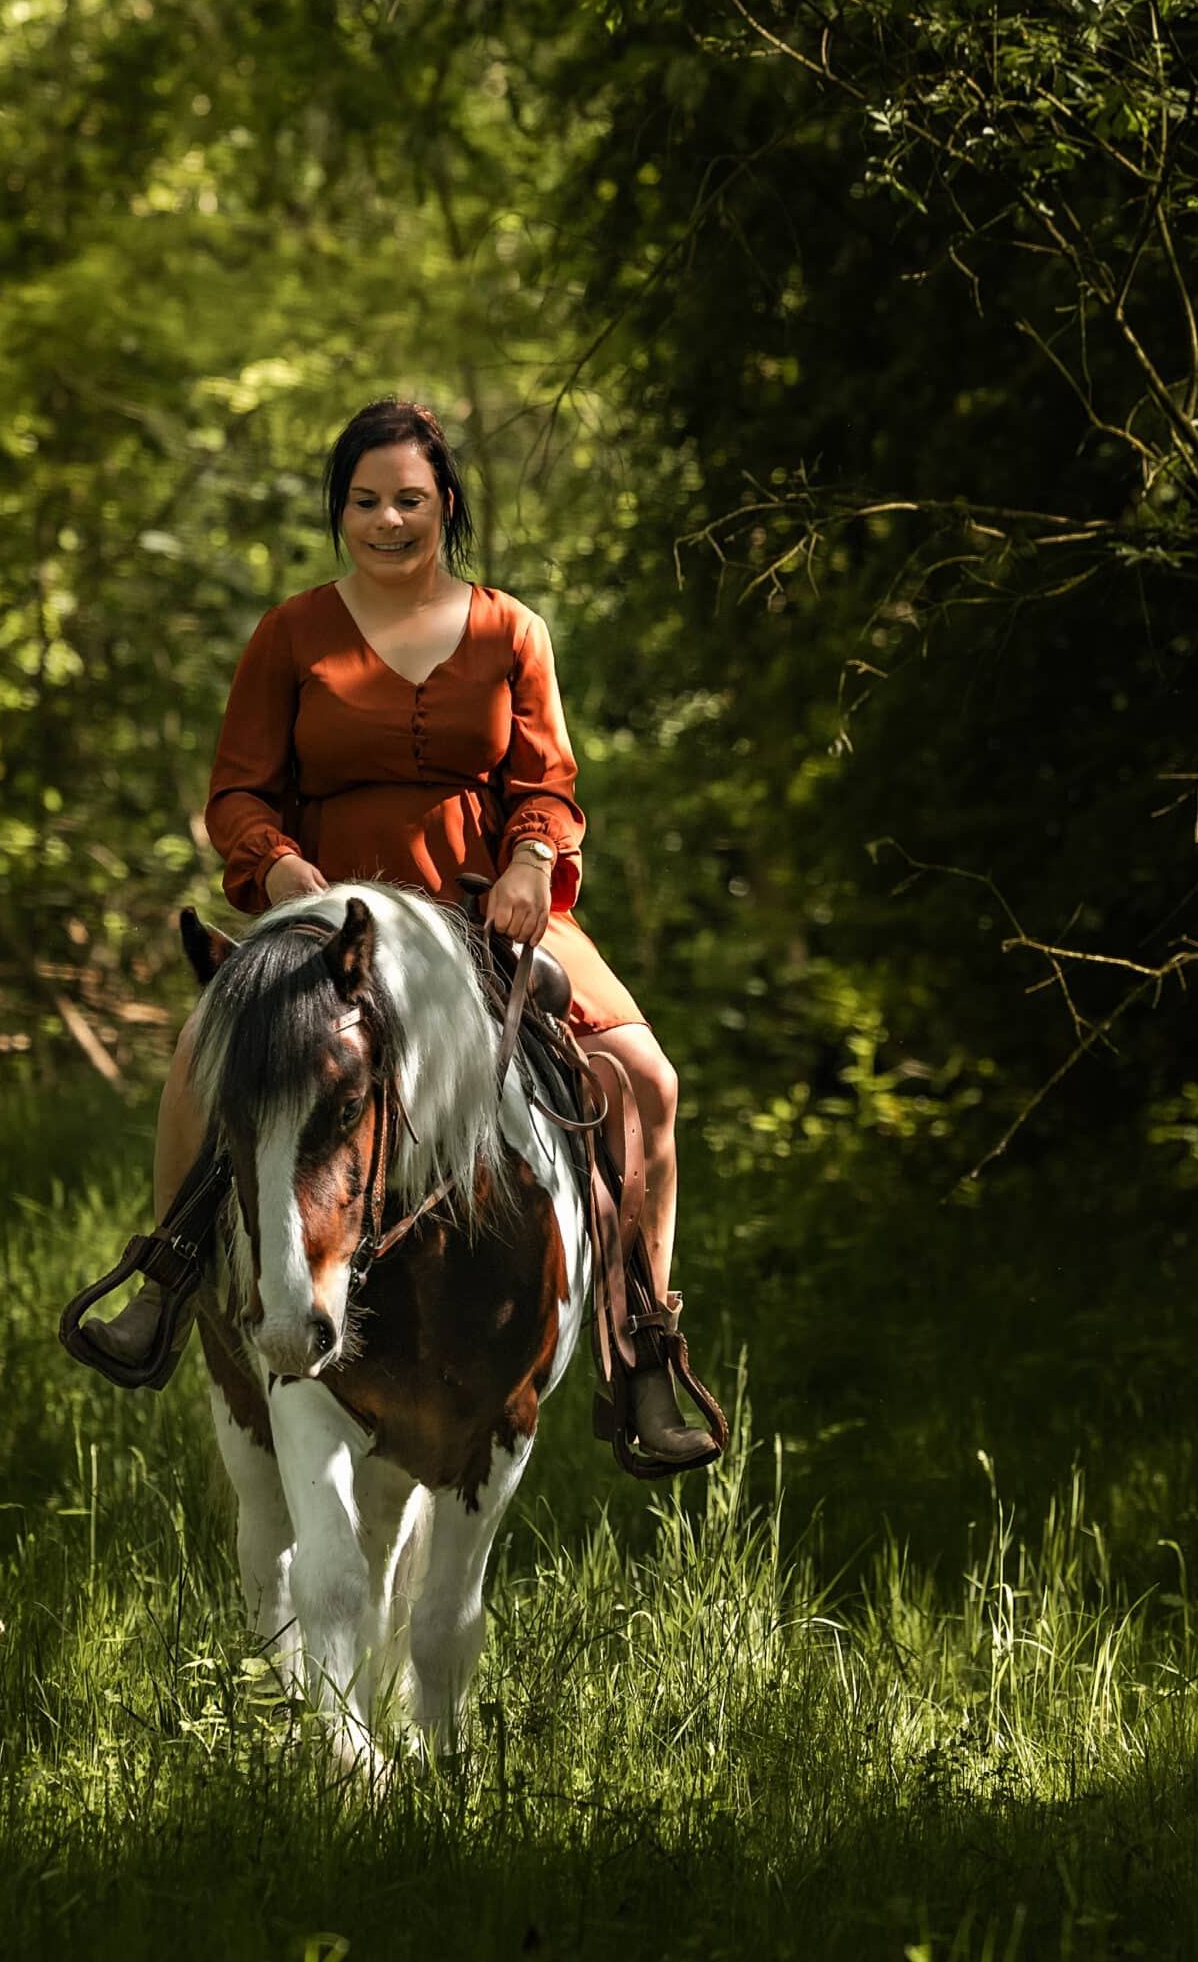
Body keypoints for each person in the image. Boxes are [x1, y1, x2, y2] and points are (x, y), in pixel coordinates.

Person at [70, 399, 718, 1473]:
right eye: (365, 501)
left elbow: (548, 784)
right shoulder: (288, 634)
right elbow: (236, 793)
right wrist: (275, 864)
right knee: (200, 1054)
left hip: (487, 913)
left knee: (646, 1075)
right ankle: (168, 1280)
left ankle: (643, 1342)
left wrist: (527, 861)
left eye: (408, 499)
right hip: (333, 923)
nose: (387, 520)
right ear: (341, 511)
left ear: (445, 504)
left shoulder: (513, 630)